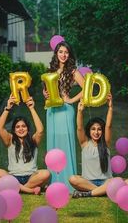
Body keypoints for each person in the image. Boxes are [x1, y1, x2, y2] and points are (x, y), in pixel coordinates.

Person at [43, 41, 84, 192]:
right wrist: (45, 94)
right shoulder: (50, 70)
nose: (63, 55)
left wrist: (72, 100)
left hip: (65, 110)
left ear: (69, 54)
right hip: (52, 111)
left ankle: (68, 182)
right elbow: (46, 91)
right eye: (61, 52)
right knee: (53, 144)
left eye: (66, 52)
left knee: (65, 143)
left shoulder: (72, 71)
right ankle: (54, 181)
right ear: (56, 53)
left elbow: (87, 87)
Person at [0, 94, 50, 194]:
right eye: (18, 127)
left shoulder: (33, 140)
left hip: (31, 177)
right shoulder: (10, 139)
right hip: (13, 177)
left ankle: (18, 189)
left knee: (46, 173)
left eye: (23, 126)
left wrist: (32, 108)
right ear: (14, 130)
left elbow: (40, 130)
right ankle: (28, 190)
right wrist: (7, 108)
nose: (21, 129)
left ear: (28, 129)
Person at [69, 93, 113, 198]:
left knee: (117, 180)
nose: (96, 132)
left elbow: (109, 126)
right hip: (87, 183)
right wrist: (80, 111)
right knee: (73, 179)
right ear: (89, 131)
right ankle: (102, 191)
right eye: (93, 129)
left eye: (99, 129)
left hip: (105, 182)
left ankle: (88, 194)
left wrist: (110, 107)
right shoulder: (84, 144)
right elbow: (79, 128)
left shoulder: (106, 143)